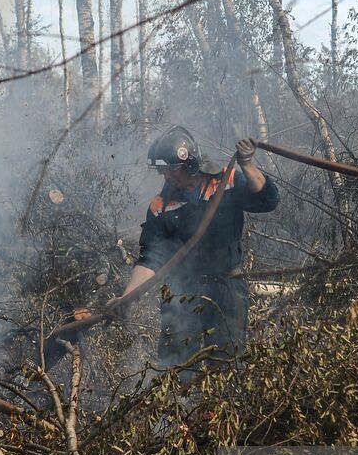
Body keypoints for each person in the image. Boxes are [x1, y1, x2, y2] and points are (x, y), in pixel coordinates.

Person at [109, 125, 279, 371]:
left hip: (227, 289)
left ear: (189, 163)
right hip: (181, 293)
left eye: (171, 170)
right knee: (176, 365)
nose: (167, 176)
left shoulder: (227, 181)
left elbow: (268, 199)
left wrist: (247, 164)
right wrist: (127, 297)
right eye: (163, 171)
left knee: (226, 365)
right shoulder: (160, 205)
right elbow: (150, 259)